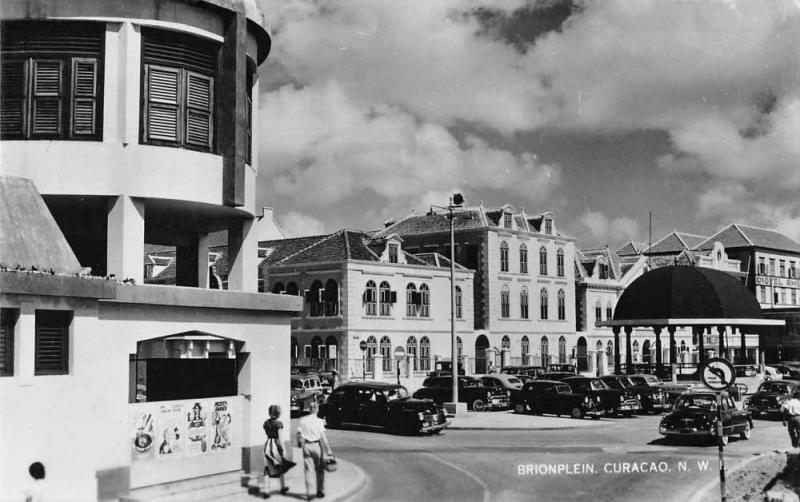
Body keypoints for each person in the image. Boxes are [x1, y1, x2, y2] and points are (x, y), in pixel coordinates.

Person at [296, 401, 333, 500]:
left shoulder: (303, 420)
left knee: (308, 470)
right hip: (316, 446)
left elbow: (298, 434)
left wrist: (299, 444)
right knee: (319, 470)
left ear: (309, 410)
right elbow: (323, 437)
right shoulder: (319, 421)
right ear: (317, 410)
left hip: (306, 446)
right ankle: (319, 491)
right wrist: (328, 449)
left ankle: (309, 492)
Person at [263, 404, 291, 498]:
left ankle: (266, 491)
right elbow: (280, 438)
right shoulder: (278, 424)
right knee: (281, 467)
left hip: (267, 445)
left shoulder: (266, 423)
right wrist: (284, 450)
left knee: (267, 469)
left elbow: (267, 432)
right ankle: (283, 487)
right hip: (276, 445)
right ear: (278, 413)